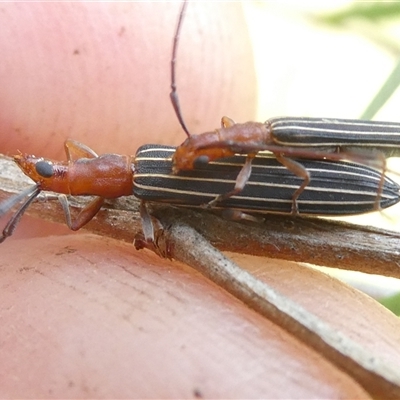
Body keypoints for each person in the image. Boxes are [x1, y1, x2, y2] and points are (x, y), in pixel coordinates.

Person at [0, 3, 398, 398]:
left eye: (60, 172)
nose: (59, 170)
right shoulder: (149, 162)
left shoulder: (147, 187)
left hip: (320, 188)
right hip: (320, 188)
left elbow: (79, 215)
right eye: (63, 174)